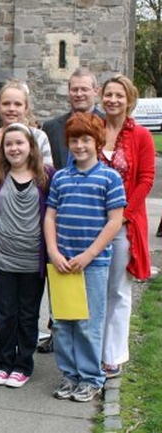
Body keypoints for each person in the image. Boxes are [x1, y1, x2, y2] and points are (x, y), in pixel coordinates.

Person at [45, 112, 126, 402]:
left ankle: (92, 378)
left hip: (92, 264)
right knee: (63, 323)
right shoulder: (61, 178)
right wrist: (53, 252)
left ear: (97, 141)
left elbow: (115, 221)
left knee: (88, 323)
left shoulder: (110, 177)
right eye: (74, 140)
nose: (79, 145)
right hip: (61, 263)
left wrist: (90, 254)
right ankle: (70, 375)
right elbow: (50, 216)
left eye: (86, 140)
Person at [0, 123, 53, 388]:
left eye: (19, 143)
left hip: (32, 261)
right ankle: (4, 363)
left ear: (31, 147)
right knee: (4, 314)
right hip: (3, 259)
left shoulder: (46, 176)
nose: (14, 148)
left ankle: (23, 365)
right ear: (3, 149)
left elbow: (51, 216)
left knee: (27, 314)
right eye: (9, 144)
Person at [99, 74, 155, 378]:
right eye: (108, 94)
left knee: (118, 290)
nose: (113, 100)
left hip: (124, 224)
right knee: (95, 289)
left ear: (129, 99)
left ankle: (114, 354)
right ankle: (94, 348)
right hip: (93, 224)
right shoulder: (94, 130)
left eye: (119, 95)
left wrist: (122, 214)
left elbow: (146, 179)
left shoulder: (141, 136)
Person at [0, 79, 53, 166]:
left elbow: (47, 174)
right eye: (6, 104)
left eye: (18, 104)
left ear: (26, 107)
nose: (11, 109)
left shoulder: (39, 137)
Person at [42, 68, 103, 170]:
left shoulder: (106, 124)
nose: (79, 94)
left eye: (84, 89)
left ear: (96, 91)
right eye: (74, 89)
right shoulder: (51, 128)